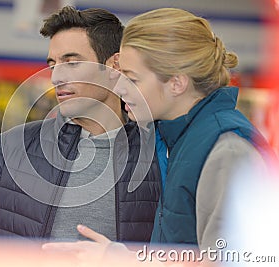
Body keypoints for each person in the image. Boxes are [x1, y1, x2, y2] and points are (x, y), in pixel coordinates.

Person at [0, 6, 161, 243]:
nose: (56, 77)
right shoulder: (12, 148)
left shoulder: (158, 154)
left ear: (113, 66)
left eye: (71, 62)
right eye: (52, 65)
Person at [43, 7, 276, 260]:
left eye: (132, 79)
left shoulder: (228, 151)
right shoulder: (172, 139)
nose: (119, 87)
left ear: (176, 83)